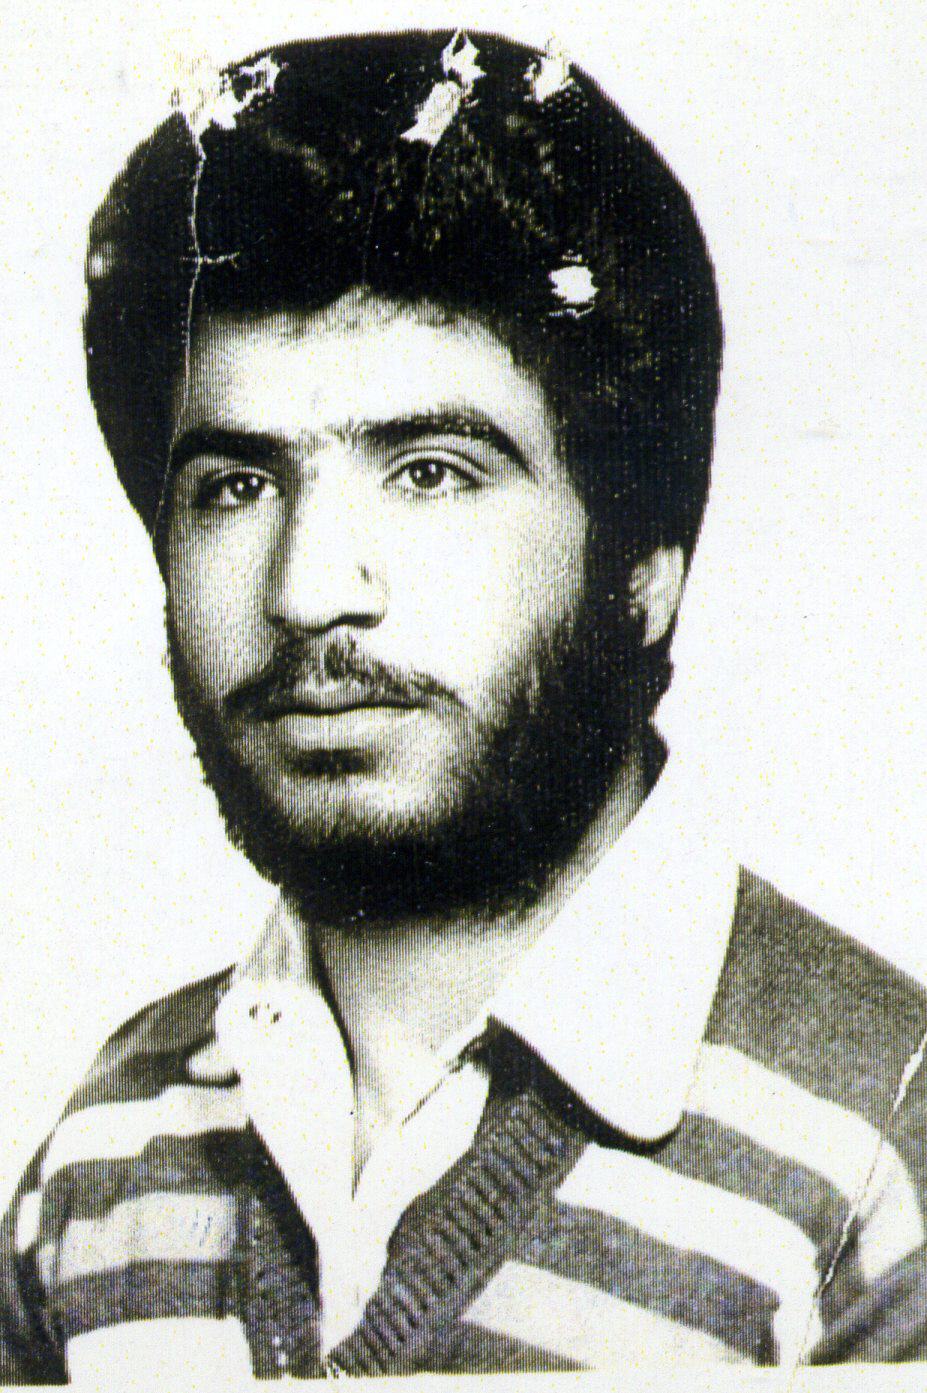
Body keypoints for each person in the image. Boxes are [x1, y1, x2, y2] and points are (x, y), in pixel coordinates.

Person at [1, 29, 925, 1380]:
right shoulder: (94, 1166)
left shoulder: (880, 1173)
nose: (309, 590)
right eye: (235, 487)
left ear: (645, 567)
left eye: (431, 472)